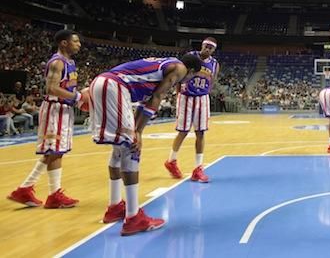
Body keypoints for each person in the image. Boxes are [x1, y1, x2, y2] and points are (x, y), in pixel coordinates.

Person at [89, 54, 201, 236]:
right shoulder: (179, 69)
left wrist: (136, 128)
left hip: (104, 83)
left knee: (120, 146)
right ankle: (133, 218)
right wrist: (138, 132)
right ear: (191, 71)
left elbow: (146, 103)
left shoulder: (162, 67)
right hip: (114, 86)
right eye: (192, 77)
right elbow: (158, 96)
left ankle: (115, 206)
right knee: (132, 147)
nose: (187, 81)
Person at [7, 30, 85, 208]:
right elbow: (51, 88)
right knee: (56, 151)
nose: (79, 44)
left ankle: (24, 189)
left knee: (53, 151)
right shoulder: (58, 62)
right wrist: (78, 98)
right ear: (64, 43)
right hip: (54, 109)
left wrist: (76, 99)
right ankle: (54, 195)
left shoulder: (70, 62)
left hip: (63, 109)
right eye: (75, 41)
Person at [165, 38, 220, 182]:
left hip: (202, 98)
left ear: (214, 50)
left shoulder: (214, 64)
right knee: (183, 131)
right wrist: (178, 93)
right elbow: (178, 75)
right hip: (186, 97)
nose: (207, 49)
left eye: (211, 48)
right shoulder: (190, 57)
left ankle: (198, 168)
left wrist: (205, 91)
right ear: (202, 45)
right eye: (206, 46)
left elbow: (212, 81)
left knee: (200, 133)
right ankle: (172, 160)